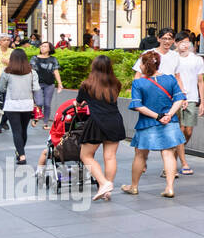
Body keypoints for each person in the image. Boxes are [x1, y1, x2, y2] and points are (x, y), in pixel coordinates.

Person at [124, 50, 186, 198]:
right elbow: (179, 99)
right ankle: (169, 187)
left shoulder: (139, 83)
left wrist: (157, 117)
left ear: (145, 65)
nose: (140, 66)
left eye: (141, 63)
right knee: (168, 153)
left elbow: (138, 105)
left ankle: (134, 186)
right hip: (169, 122)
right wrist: (169, 114)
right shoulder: (170, 79)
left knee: (140, 155)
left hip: (147, 123)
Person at [75, 55, 123, 202]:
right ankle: (107, 191)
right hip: (115, 121)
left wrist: (82, 104)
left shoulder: (87, 85)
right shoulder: (116, 84)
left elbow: (79, 103)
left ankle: (103, 183)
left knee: (86, 155)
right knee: (110, 156)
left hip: (97, 122)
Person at [171, 32, 204, 177]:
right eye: (181, 42)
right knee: (180, 130)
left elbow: (200, 81)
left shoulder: (197, 59)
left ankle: (172, 157)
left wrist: (202, 101)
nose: (184, 45)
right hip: (175, 98)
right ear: (176, 43)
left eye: (187, 42)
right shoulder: (172, 58)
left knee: (188, 131)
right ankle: (184, 163)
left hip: (192, 97)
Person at [0, 49, 40, 164]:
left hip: (12, 105)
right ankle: (20, 152)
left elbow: (2, 88)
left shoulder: (7, 71)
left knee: (16, 131)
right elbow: (36, 88)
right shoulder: (32, 72)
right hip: (27, 105)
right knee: (23, 130)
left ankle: (21, 155)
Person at [30, 41, 63, 126]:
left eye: (45, 46)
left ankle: (45, 123)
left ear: (49, 49)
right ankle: (36, 118)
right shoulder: (34, 58)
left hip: (49, 84)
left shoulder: (53, 59)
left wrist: (59, 83)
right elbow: (31, 71)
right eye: (41, 46)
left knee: (47, 104)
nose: (42, 47)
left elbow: (56, 71)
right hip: (38, 84)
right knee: (39, 103)